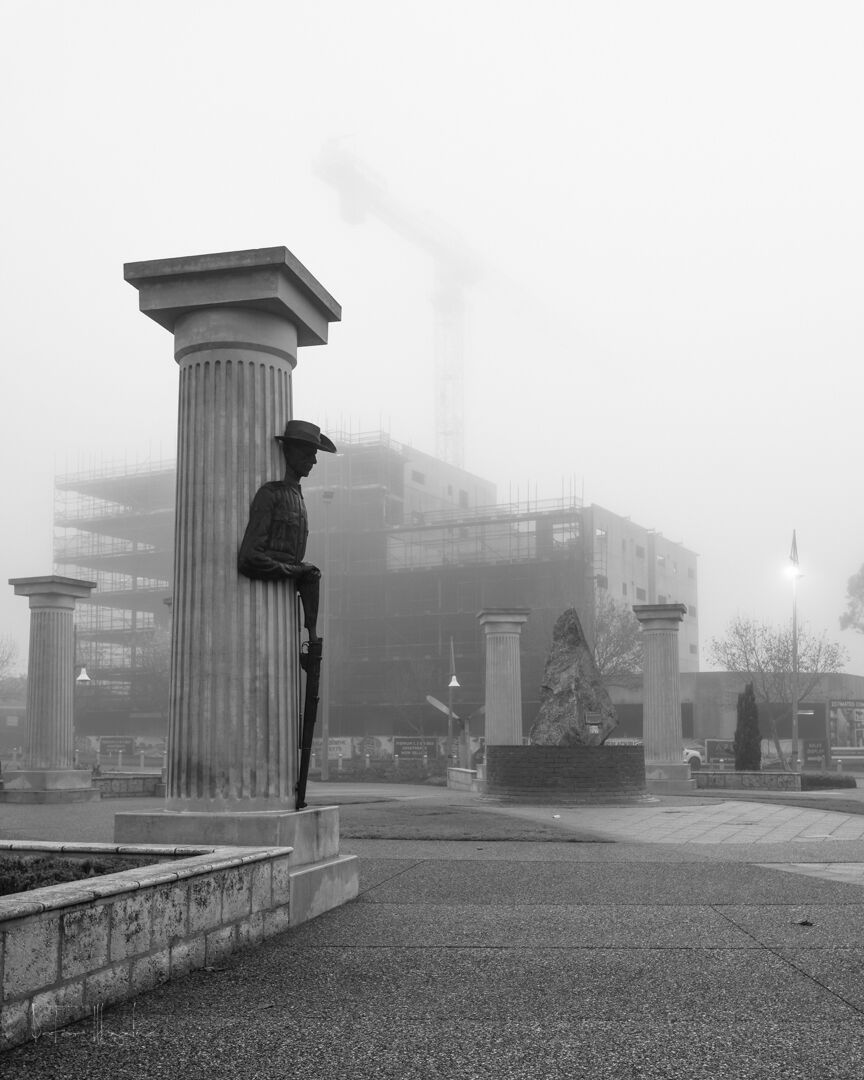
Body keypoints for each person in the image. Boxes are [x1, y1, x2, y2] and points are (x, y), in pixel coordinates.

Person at [238, 420, 336, 642]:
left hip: (282, 611)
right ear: (288, 450)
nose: (314, 460)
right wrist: (295, 571)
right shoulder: (270, 494)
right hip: (261, 619)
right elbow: (249, 558)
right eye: (308, 453)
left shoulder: (298, 499)